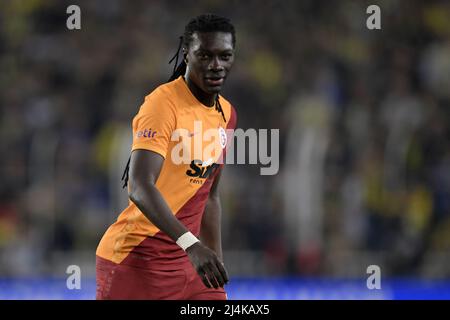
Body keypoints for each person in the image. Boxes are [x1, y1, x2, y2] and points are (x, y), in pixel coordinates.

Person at [95, 13, 237, 300]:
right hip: (138, 262)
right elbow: (139, 186)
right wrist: (191, 244)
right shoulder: (162, 104)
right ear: (186, 55)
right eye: (205, 55)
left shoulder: (227, 114)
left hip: (193, 267)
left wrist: (215, 262)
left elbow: (210, 196)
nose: (216, 65)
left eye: (225, 56)